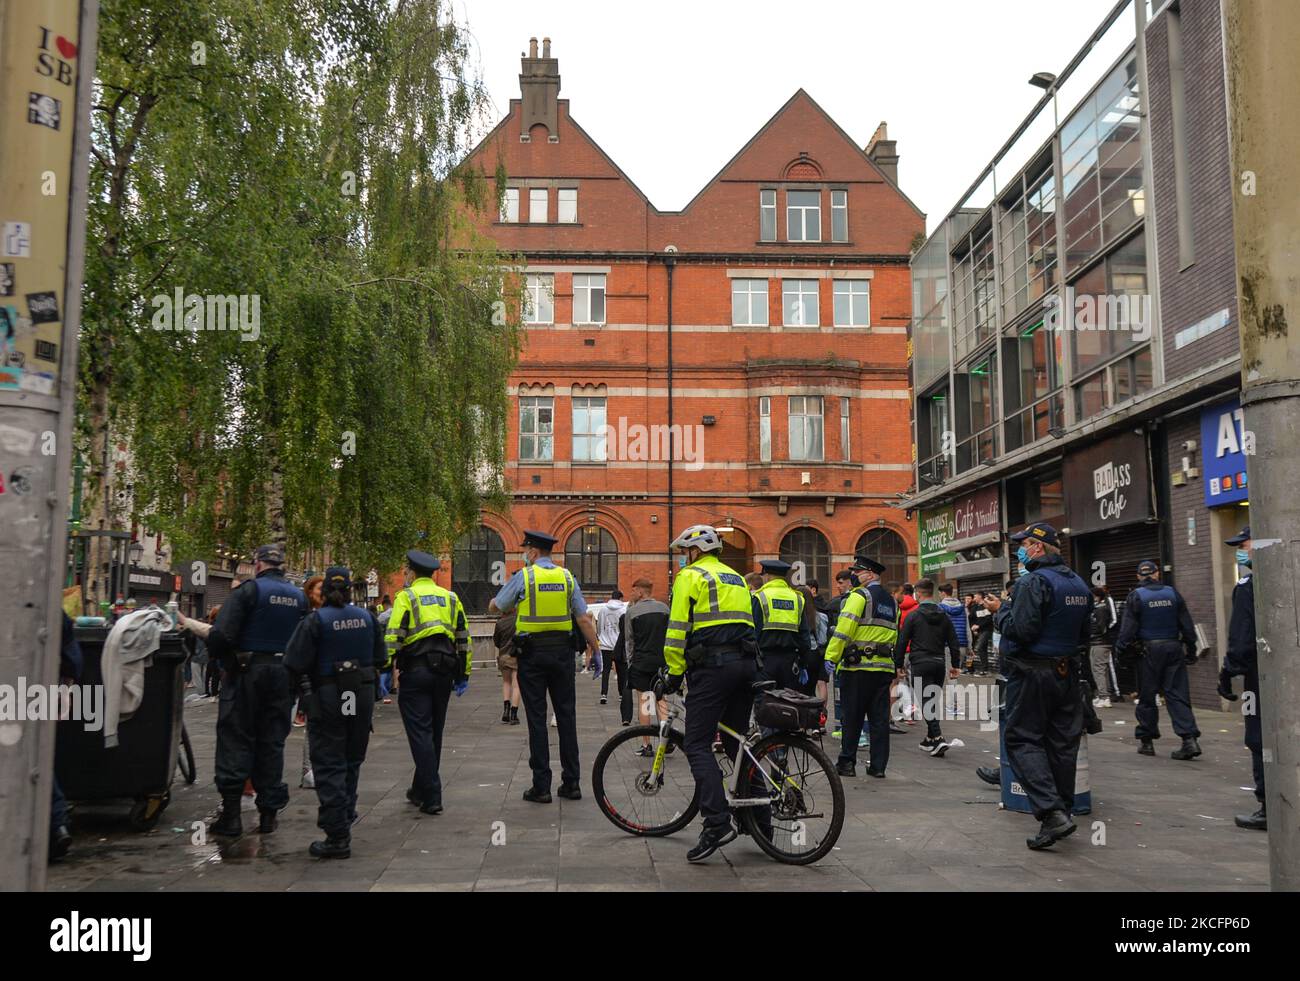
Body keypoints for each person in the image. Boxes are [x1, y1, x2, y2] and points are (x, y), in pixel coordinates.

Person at [984, 522, 1091, 851]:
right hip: (1067, 673)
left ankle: (1051, 812)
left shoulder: (1034, 581)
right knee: (1061, 744)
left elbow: (1023, 630)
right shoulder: (1078, 584)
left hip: (1033, 673)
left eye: (1024, 545)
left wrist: (1000, 610)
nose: (1021, 550)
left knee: (1021, 739)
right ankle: (1062, 812)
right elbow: (1084, 637)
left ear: (1038, 548)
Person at [659, 524, 761, 862]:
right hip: (745, 666)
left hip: (714, 668)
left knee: (697, 742)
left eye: (685, 553)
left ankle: (717, 823)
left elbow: (676, 630)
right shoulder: (736, 577)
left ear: (695, 550)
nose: (684, 559)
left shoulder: (692, 576)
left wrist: (673, 672)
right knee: (735, 742)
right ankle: (761, 820)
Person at [205, 544, 308, 836]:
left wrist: (221, 659)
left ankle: (232, 815)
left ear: (258, 563)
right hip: (283, 677)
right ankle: (268, 815)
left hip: (247, 674)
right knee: (272, 742)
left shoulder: (249, 592)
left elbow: (221, 635)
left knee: (236, 738)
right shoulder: (298, 597)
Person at [490, 530, 599, 803]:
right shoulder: (567, 577)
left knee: (537, 720)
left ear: (534, 552)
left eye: (527, 550)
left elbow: (498, 606)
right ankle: (572, 783)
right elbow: (584, 617)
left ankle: (541, 787)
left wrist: (496, 601)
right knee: (566, 717)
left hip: (532, 656)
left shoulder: (524, 577)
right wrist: (595, 649)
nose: (526, 555)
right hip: (563, 654)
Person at [284, 567, 384, 858]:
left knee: (329, 761)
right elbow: (381, 658)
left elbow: (293, 661)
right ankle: (345, 812)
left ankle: (337, 834)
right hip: (358, 695)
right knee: (351, 759)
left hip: (329, 696)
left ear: (325, 591)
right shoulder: (367, 618)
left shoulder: (316, 620)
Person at [386, 550, 471, 815]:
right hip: (444, 673)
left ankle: (432, 795)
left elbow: (393, 635)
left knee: (420, 732)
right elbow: (463, 638)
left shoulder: (406, 597)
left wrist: (385, 668)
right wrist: (464, 674)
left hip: (416, 672)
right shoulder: (451, 597)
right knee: (434, 732)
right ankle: (419, 789)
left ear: (411, 572)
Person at [1114, 559, 1201, 760]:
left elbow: (1127, 630)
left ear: (1138, 576)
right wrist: (1191, 649)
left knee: (1147, 696)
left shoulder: (1136, 596)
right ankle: (1189, 739)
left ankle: (1147, 741)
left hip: (1148, 651)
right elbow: (1187, 626)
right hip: (1173, 647)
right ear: (1157, 574)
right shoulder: (1172, 594)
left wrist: (1120, 652)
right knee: (1177, 694)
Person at [825, 556, 899, 778]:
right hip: (883, 667)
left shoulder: (860, 596)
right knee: (879, 720)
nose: (855, 575)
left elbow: (844, 629)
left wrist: (831, 656)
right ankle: (878, 767)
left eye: (858, 571)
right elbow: (894, 634)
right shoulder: (891, 601)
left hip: (857, 668)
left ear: (870, 574)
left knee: (852, 717)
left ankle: (847, 763)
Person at [1219, 526, 1265, 830]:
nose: (1240, 550)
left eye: (1243, 545)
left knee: (1259, 738)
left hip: (1258, 677)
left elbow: (1242, 636)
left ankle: (1269, 805)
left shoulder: (1248, 584)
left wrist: (1228, 671)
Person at [896, 578, 961, 756]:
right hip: (939, 663)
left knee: (925, 702)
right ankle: (930, 739)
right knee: (932, 700)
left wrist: (899, 664)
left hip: (920, 662)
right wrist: (955, 665)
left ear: (917, 593)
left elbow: (902, 641)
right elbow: (953, 642)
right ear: (932, 593)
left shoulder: (913, 616)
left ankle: (938, 738)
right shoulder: (943, 616)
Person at [619, 578, 670, 754]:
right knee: (661, 699)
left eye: (633, 591)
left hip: (641, 662)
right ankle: (666, 739)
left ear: (640, 592)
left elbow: (629, 641)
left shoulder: (632, 612)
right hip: (661, 661)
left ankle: (647, 744)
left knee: (645, 701)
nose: (632, 594)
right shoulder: (665, 609)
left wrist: (631, 662)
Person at [751, 559, 812, 701]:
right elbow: (804, 635)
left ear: (767, 576)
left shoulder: (760, 597)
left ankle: (765, 724)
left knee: (765, 701)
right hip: (790, 662)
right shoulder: (797, 599)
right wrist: (803, 663)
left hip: (764, 661)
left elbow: (753, 633)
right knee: (788, 702)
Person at [49, 613, 82, 861]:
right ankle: (57, 823)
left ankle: (56, 823)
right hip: (47, 690)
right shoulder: (54, 612)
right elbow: (72, 660)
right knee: (40, 757)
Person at [597, 589, 632, 724]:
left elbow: (599, 626)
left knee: (606, 670)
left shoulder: (603, 610)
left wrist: (602, 638)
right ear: (621, 598)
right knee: (621, 671)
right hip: (619, 644)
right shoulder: (623, 610)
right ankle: (621, 694)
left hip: (605, 645)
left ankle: (603, 694)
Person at [1087, 586, 1119, 707]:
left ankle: (1104, 697)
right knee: (1102, 669)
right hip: (1103, 642)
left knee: (1098, 670)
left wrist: (1093, 634)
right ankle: (1104, 695)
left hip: (1099, 643)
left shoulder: (1099, 609)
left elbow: (1101, 627)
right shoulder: (1101, 608)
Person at [493, 607, 521, 725]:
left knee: (506, 682)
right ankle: (514, 714)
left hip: (503, 655)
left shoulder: (500, 623)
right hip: (516, 656)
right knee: (516, 685)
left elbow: (496, 641)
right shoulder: (519, 620)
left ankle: (506, 710)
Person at [938, 582, 970, 674]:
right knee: (955, 673)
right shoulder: (963, 608)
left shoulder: (940, 607)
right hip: (962, 644)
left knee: (950, 675)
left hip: (947, 645)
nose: (940, 596)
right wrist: (970, 646)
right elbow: (967, 628)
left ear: (943, 593)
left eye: (940, 593)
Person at [969, 591, 993, 676]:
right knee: (982, 649)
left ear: (980, 597)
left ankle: (984, 669)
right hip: (979, 631)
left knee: (980, 647)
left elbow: (988, 619)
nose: (974, 598)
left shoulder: (985, 606)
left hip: (986, 630)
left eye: (975, 596)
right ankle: (985, 670)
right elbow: (971, 618)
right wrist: (973, 627)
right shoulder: (975, 607)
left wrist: (978, 626)